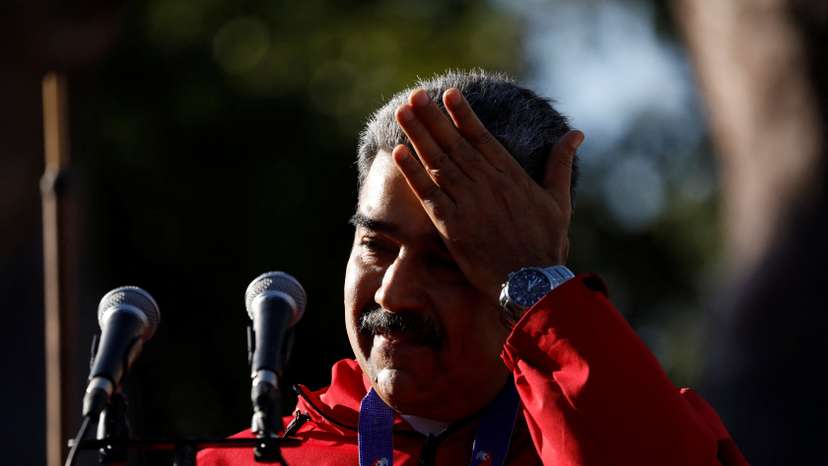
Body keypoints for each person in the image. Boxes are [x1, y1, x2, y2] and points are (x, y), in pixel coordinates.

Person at [198, 70, 748, 466]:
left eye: (448, 259)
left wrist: (540, 282)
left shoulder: (653, 429)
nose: (394, 294)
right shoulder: (243, 459)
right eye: (376, 246)